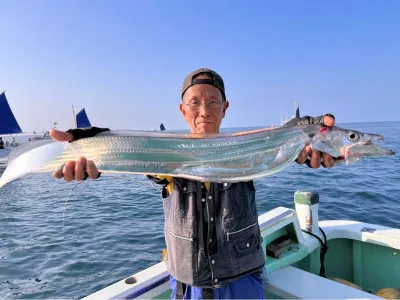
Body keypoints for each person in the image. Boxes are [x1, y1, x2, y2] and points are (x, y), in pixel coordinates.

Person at [50, 68, 336, 299]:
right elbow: (133, 155)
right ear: (182, 110)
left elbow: (282, 143)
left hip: (243, 279)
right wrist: (96, 150)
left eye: (213, 102)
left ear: (225, 108)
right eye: (195, 103)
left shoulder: (247, 149)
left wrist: (309, 134)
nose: (204, 111)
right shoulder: (167, 155)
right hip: (189, 285)